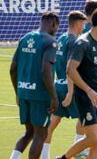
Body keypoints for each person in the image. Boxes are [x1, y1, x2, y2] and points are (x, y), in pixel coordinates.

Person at [56, 8, 97, 159]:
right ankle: (63, 158)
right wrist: (88, 90)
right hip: (85, 97)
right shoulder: (82, 43)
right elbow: (70, 69)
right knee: (92, 138)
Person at [9, 12, 60, 159]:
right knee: (41, 133)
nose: (57, 29)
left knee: (29, 132)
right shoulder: (51, 41)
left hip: (23, 92)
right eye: (57, 26)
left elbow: (12, 69)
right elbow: (46, 71)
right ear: (53, 23)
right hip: (40, 95)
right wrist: (54, 97)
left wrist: (18, 93)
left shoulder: (25, 38)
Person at [41, 11, 87, 159]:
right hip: (69, 88)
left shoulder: (60, 39)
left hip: (57, 86)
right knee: (86, 116)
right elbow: (70, 67)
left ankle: (45, 155)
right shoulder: (73, 41)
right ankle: (80, 146)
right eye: (84, 24)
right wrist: (70, 92)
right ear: (78, 23)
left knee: (53, 122)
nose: (84, 27)